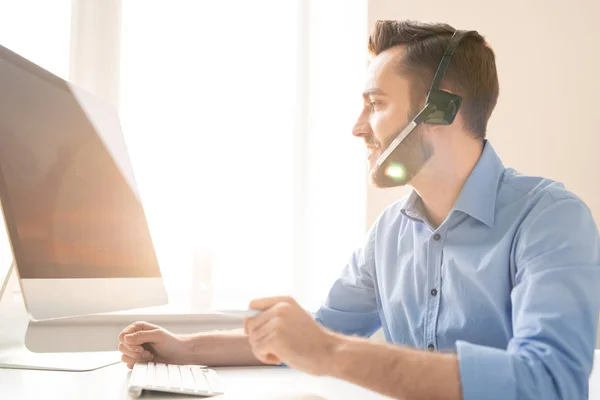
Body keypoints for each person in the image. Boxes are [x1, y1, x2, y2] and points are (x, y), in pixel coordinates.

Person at [117, 20, 600, 400]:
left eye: (375, 103)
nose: (356, 127)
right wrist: (186, 350)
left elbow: (550, 384)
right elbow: (321, 332)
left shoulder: (551, 218)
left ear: (442, 110)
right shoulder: (390, 232)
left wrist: (331, 353)